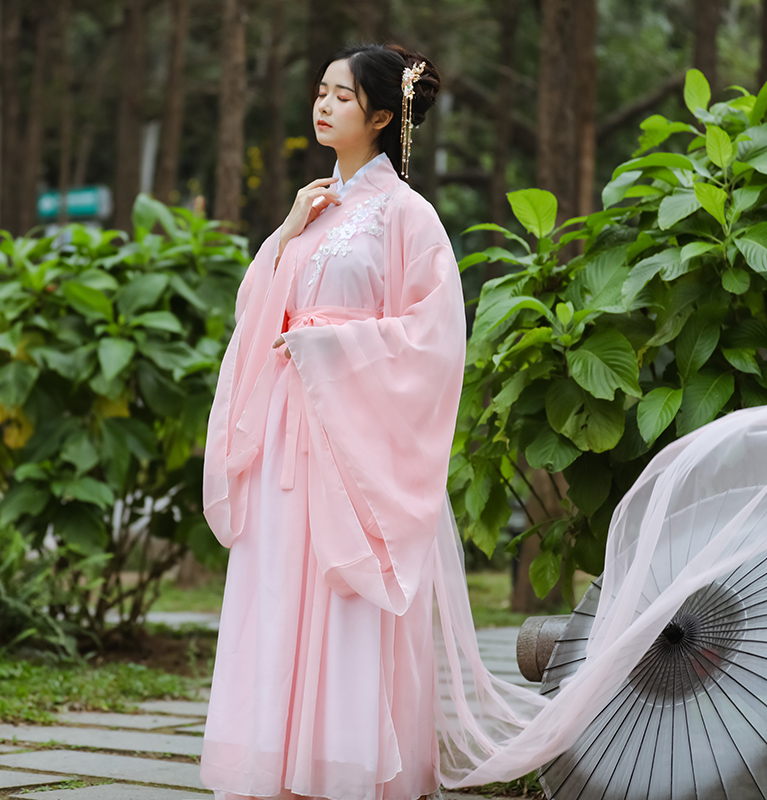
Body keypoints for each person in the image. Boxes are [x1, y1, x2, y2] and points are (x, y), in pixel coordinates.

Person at [199, 43, 525, 800]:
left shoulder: (408, 218)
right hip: (288, 425)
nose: (322, 105)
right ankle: (273, 764)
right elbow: (257, 313)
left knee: (343, 597)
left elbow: (435, 337)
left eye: (340, 97)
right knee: (281, 585)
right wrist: (284, 231)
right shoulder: (313, 206)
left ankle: (340, 766)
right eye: (320, 91)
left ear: (381, 116)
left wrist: (334, 344)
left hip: (352, 443)